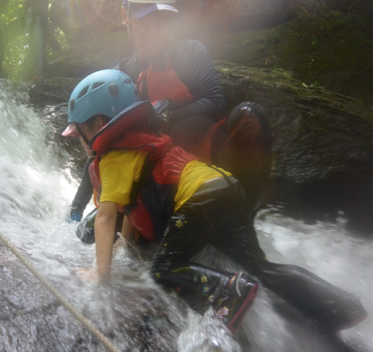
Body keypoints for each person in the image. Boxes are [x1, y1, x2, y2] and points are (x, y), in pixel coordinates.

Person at [63, 69, 367, 335]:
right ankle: (338, 306)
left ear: (98, 123)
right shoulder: (141, 141)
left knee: (164, 269)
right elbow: (131, 206)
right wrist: (122, 245)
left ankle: (229, 292)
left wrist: (100, 275)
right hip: (226, 187)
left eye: (79, 132)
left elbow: (105, 218)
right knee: (259, 267)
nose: (79, 140)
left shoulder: (114, 159)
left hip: (200, 199)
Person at [69, 0, 271, 227]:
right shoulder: (118, 78)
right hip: (152, 184)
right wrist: (76, 207)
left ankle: (241, 220)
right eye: (144, 21)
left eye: (160, 21)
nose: (153, 30)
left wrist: (168, 117)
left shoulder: (190, 52)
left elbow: (216, 102)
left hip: (203, 163)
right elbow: (102, 144)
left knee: (251, 117)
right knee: (88, 229)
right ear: (125, 16)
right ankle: (142, 228)